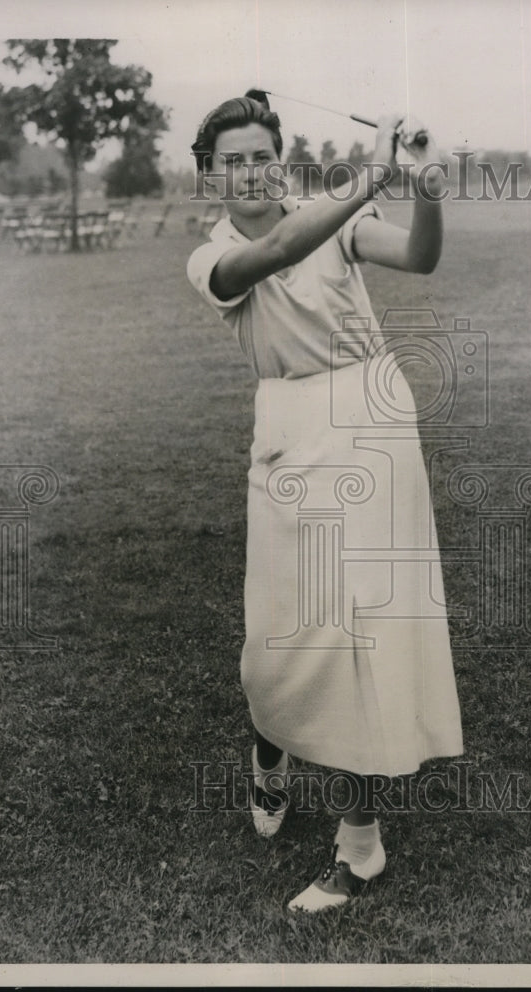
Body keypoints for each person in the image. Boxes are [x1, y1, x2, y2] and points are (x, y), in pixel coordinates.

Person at [186, 91, 463, 912]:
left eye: (261, 156)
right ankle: (269, 759)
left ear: (281, 160)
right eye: (230, 160)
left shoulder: (333, 216)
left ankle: (360, 848)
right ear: (210, 176)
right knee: (277, 637)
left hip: (371, 415)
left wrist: (427, 188)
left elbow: (419, 258)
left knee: (357, 636)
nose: (248, 171)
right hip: (288, 421)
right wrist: (368, 173)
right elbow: (270, 251)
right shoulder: (208, 258)